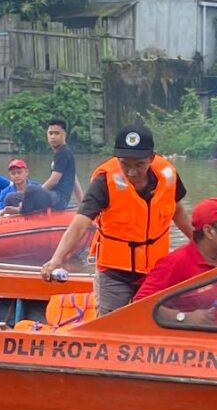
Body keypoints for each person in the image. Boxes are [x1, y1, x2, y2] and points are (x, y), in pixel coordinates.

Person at [41, 124, 191, 317]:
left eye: (139, 165)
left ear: (152, 158)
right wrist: (57, 259)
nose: (131, 172)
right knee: (109, 323)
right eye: (125, 164)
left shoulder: (167, 174)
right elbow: (81, 221)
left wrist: (198, 242)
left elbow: (177, 210)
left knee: (152, 320)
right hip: (114, 272)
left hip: (155, 270)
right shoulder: (105, 181)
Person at [132, 198, 217, 325]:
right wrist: (183, 317)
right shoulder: (175, 262)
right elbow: (140, 304)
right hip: (194, 342)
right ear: (209, 231)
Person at [39, 119, 83, 210]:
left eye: (56, 133)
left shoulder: (62, 153)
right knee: (17, 194)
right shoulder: (65, 152)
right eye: (50, 133)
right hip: (58, 198)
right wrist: (83, 204)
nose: (53, 137)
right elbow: (74, 180)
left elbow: (53, 180)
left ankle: (19, 211)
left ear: (64, 135)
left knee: (28, 191)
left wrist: (36, 193)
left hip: (58, 198)